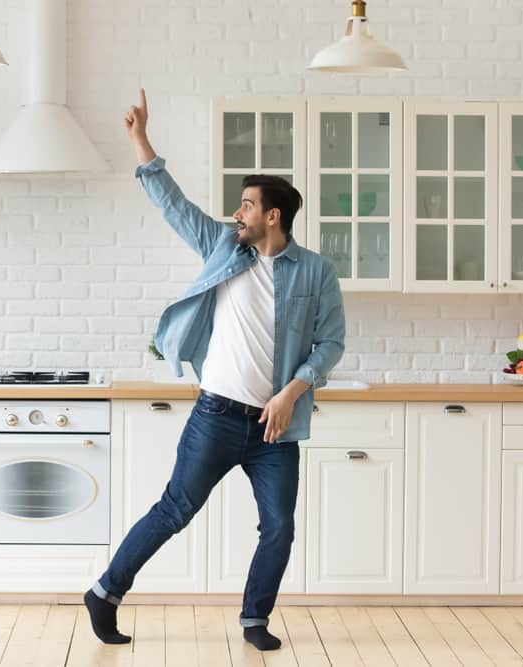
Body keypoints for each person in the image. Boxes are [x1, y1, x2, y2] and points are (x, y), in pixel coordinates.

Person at [83, 89, 346, 652]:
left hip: (278, 428)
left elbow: (331, 343)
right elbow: (173, 204)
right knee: (174, 510)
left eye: (247, 205)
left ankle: (254, 620)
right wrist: (139, 139)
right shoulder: (224, 249)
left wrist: (291, 393)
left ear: (272, 216)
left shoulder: (317, 272)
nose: (237, 213)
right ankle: (105, 593)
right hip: (217, 416)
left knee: (279, 528)